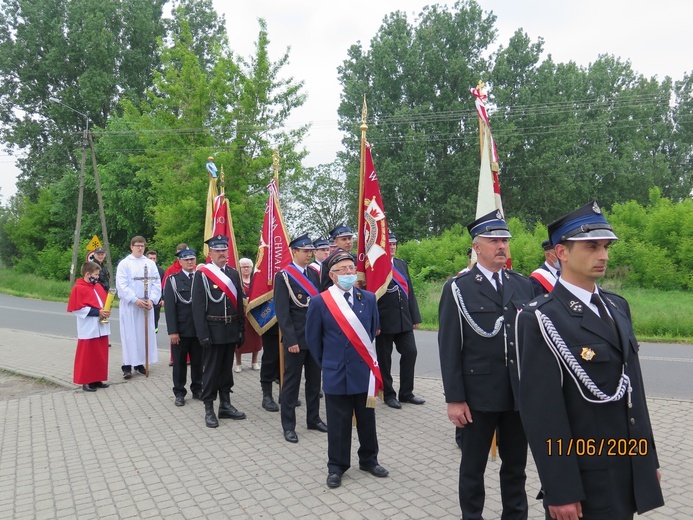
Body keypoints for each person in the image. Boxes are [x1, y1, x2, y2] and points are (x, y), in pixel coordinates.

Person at [517, 201, 664, 520]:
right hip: (585, 479)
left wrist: (647, 462)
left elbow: (633, 394)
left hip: (626, 469)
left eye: (606, 246)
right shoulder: (541, 318)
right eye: (592, 246)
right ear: (562, 252)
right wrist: (561, 489)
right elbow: (543, 414)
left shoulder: (617, 307)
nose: (604, 255)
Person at [438, 210, 534, 519]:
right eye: (494, 240)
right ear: (476, 247)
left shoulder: (524, 286)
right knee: (472, 468)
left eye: (505, 240)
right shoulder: (458, 289)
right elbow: (449, 347)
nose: (502, 246)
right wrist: (454, 399)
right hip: (478, 396)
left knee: (516, 468)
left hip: (517, 396)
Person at [306, 251, 388, 489]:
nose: (349, 272)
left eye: (352, 267)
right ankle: (337, 467)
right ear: (332, 275)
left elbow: (372, 331)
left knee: (367, 419)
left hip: (363, 372)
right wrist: (331, 364)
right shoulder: (320, 301)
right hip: (336, 372)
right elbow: (314, 341)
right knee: (338, 423)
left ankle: (369, 460)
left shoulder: (369, 298)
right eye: (343, 269)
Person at [274, 234, 327, 443]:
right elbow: (283, 312)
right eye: (305, 251)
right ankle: (288, 425)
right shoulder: (284, 276)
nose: (309, 254)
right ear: (294, 252)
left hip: (314, 339)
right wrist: (291, 340)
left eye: (310, 251)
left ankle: (313, 419)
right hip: (296, 340)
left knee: (314, 383)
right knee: (291, 384)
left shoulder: (314, 275)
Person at [192, 234, 246, 428]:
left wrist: (241, 329)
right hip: (213, 330)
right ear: (210, 253)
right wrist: (203, 334)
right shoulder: (203, 275)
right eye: (218, 250)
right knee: (211, 371)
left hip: (230, 328)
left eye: (224, 250)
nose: (222, 253)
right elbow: (198, 307)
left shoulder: (232, 273)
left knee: (226, 370)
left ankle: (225, 405)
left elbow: (239, 303)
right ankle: (209, 408)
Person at [377, 232, 425, 409]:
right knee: (385, 359)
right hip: (384, 322)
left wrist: (415, 316)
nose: (393, 247)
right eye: (389, 244)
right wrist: (375, 322)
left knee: (410, 352)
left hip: (404, 319)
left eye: (395, 244)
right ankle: (389, 394)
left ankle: (406, 392)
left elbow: (409, 291)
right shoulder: (375, 267)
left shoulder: (400, 264)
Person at [116, 236, 161, 379]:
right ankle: (127, 366)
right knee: (130, 335)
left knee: (144, 335)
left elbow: (156, 283)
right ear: (131, 247)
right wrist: (135, 299)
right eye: (137, 245)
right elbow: (122, 285)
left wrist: (152, 300)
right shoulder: (124, 264)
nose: (140, 248)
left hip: (146, 305)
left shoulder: (150, 264)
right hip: (131, 306)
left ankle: (140, 363)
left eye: (142, 245)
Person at [164, 248, 202, 407]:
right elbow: (170, 308)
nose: (190, 262)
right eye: (186, 259)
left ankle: (198, 389)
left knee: (198, 362)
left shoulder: (201, 278)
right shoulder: (173, 280)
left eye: (192, 259)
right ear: (180, 262)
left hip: (199, 330)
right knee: (179, 364)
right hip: (180, 331)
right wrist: (173, 331)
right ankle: (179, 392)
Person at [67, 261, 111, 392]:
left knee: (100, 354)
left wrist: (105, 310)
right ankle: (86, 381)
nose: (97, 277)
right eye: (96, 274)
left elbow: (102, 302)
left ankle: (97, 379)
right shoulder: (79, 288)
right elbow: (77, 309)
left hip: (101, 325)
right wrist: (97, 312)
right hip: (88, 326)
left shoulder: (97, 286)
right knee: (87, 355)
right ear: (87, 274)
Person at [162, 243, 189, 366]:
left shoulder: (191, 267)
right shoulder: (171, 269)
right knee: (176, 337)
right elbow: (165, 286)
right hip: (177, 307)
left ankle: (189, 358)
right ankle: (174, 359)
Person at [235, 257, 262, 372]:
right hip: (241, 315)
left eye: (248, 267)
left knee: (256, 339)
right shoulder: (237, 281)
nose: (246, 269)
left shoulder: (256, 280)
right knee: (241, 339)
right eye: (243, 267)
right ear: (239, 268)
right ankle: (238, 363)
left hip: (254, 315)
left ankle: (254, 361)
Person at [320, 224, 354, 290]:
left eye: (350, 238)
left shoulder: (358, 258)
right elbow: (325, 288)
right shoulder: (329, 261)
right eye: (344, 239)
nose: (348, 242)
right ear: (335, 242)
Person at [146, 250, 165, 332]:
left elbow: (163, 285)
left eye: (154, 258)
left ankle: (154, 332)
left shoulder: (160, 271)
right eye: (150, 258)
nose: (152, 260)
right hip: (144, 299)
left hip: (156, 300)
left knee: (155, 317)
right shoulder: (143, 269)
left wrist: (163, 298)